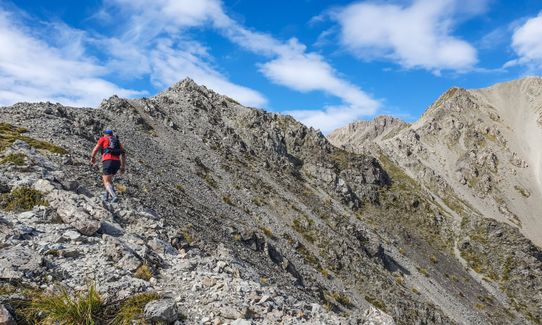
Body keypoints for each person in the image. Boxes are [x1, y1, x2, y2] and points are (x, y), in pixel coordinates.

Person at [90, 129, 126, 203]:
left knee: (106, 181)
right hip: (117, 162)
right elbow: (123, 154)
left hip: (108, 161)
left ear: (105, 134)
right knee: (109, 180)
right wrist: (122, 166)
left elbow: (96, 149)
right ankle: (106, 197)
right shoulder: (118, 142)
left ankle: (114, 196)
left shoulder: (103, 139)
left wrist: (93, 157)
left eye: (103, 134)